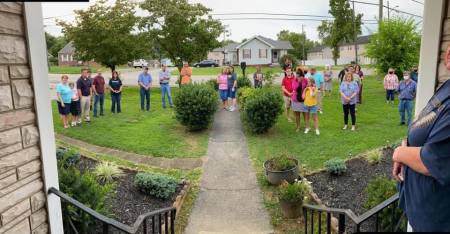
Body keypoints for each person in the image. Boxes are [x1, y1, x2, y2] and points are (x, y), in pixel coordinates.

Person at [393, 74, 450, 232]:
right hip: (418, 211)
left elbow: (433, 160)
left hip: (435, 221)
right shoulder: (446, 87)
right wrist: (407, 144)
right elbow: (423, 126)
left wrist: (399, 153)